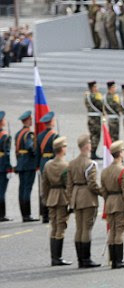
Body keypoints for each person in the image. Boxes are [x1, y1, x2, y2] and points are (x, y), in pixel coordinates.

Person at [66, 134, 101, 267]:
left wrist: (71, 200)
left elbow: (69, 185)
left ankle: (80, 259)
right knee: (87, 228)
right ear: (86, 146)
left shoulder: (72, 163)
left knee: (79, 228)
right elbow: (92, 184)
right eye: (90, 144)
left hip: (76, 196)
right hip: (87, 197)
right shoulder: (90, 164)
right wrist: (102, 192)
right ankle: (86, 259)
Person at [101, 140, 124, 268]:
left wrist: (108, 200)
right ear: (120, 153)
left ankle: (113, 260)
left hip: (109, 202)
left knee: (112, 230)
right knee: (119, 230)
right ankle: (118, 260)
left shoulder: (105, 171)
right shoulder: (122, 170)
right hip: (120, 202)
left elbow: (103, 190)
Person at [41, 136, 72, 266]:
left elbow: (45, 184)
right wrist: (71, 200)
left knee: (53, 226)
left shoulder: (48, 165)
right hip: (62, 197)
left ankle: (54, 256)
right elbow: (68, 184)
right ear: (62, 149)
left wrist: (46, 198)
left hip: (51, 197)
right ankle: (57, 257)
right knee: (61, 226)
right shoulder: (65, 165)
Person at [14, 111, 40, 222]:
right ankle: (27, 215)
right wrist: (36, 155)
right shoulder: (28, 134)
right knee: (27, 189)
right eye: (30, 120)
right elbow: (30, 147)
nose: (31, 121)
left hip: (21, 163)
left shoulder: (18, 133)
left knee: (21, 189)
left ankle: (24, 214)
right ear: (27, 121)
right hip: (28, 164)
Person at [36, 111, 60, 223]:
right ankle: (52, 213)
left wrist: (38, 165)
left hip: (42, 162)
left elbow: (37, 153)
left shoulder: (39, 136)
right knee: (52, 189)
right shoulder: (55, 136)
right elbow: (57, 152)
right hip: (52, 162)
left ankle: (44, 214)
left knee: (44, 189)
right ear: (51, 122)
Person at [83, 82, 104, 158]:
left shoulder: (87, 96)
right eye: (95, 87)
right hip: (95, 119)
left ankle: (92, 152)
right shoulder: (95, 97)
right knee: (96, 135)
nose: (97, 88)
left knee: (92, 135)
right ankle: (93, 152)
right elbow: (101, 105)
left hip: (90, 118)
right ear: (92, 88)